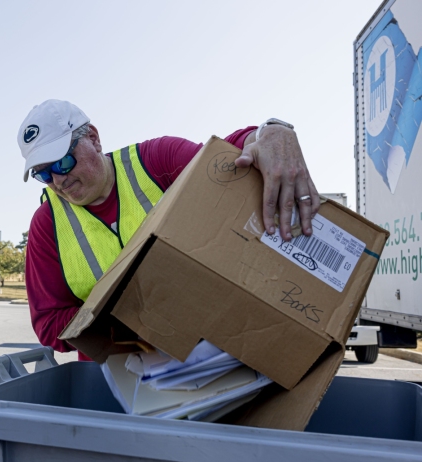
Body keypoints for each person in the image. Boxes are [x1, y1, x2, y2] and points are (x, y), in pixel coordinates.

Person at [18, 99, 320, 359]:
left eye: (63, 162)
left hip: (208, 358)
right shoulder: (47, 225)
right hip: (118, 381)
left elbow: (225, 161)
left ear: (94, 138)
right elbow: (49, 323)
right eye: (43, 174)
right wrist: (127, 317)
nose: (58, 181)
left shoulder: (155, 161)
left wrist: (271, 132)